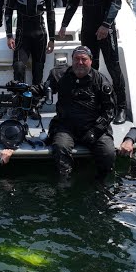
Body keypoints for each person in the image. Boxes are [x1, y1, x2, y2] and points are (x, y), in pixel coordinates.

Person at [58, 0, 127, 124]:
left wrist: (106, 25)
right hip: (87, 28)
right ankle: (93, 103)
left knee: (114, 67)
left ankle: (120, 107)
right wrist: (64, 25)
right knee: (90, 67)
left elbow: (116, 3)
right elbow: (72, 2)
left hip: (106, 29)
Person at [47, 46, 116, 179]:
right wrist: (26, 89)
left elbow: (110, 110)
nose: (80, 63)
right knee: (60, 147)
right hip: (66, 126)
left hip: (93, 126)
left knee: (107, 152)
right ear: (72, 60)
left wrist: (95, 131)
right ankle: (65, 182)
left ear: (91, 61)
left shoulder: (101, 81)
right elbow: (44, 89)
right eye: (76, 59)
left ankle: (102, 182)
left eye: (84, 59)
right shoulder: (60, 75)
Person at [4, 0, 56, 86]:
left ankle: (35, 103)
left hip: (40, 35)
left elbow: (51, 15)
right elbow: (8, 12)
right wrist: (9, 36)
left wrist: (52, 39)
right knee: (19, 67)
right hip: (22, 35)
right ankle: (20, 102)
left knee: (38, 72)